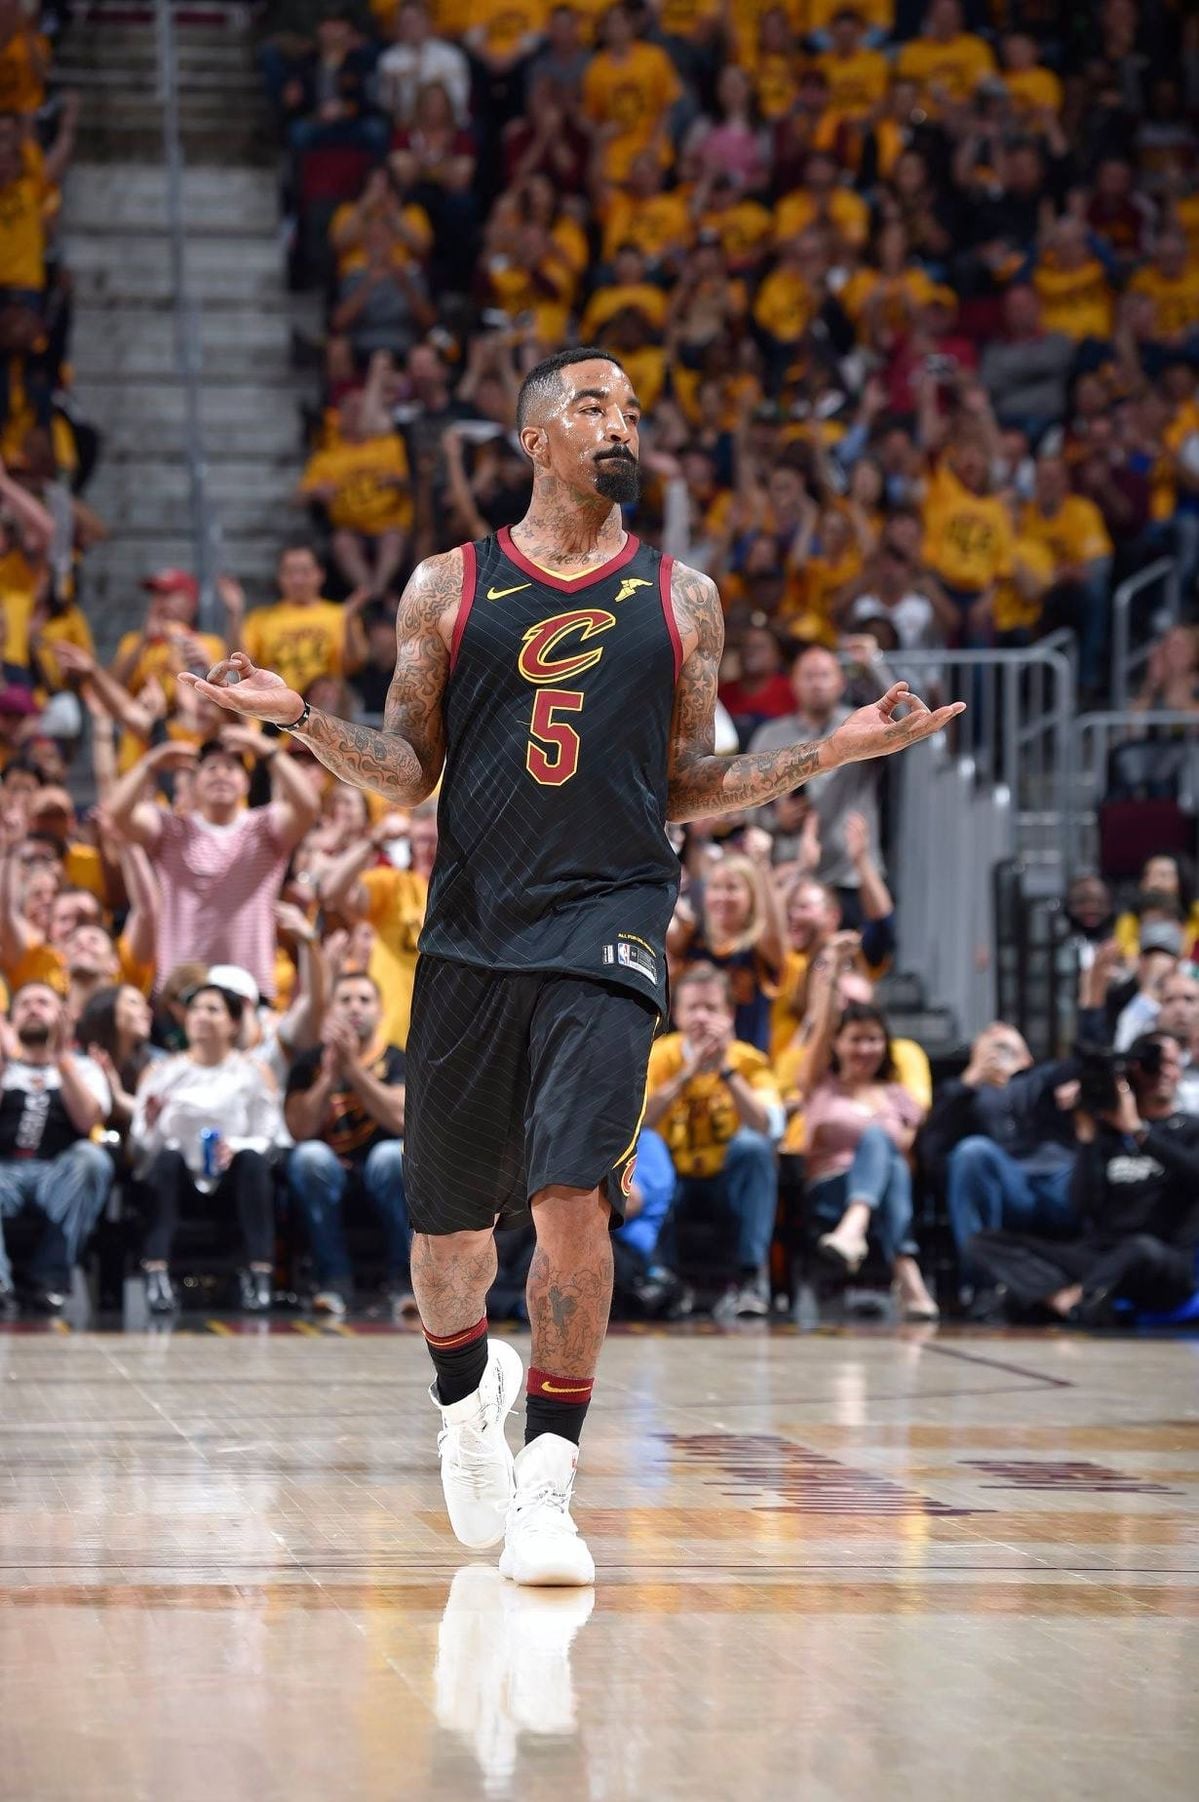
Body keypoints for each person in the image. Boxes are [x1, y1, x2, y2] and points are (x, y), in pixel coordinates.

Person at [178, 344, 961, 1587]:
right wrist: (298, 720)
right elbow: (404, 769)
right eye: (593, 406)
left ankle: (549, 1477)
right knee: (446, 1242)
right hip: (473, 924)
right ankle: (459, 1403)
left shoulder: (682, 597)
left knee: (570, 1199)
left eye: (635, 411)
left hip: (610, 914)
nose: (621, 426)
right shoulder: (447, 584)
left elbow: (687, 782)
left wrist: (829, 749)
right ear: (535, 438)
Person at [968, 1035, 1199, 1325]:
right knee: (984, 1241)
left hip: (1163, 1262)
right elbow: (1082, 1206)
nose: (1163, 1071)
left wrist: (1140, 1132)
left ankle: (1058, 1297)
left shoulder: (1191, 1127)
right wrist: (1088, 1138)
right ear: (1133, 1072)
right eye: (1154, 1064)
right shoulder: (1109, 1135)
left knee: (1140, 1248)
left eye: (1171, 1063)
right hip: (1101, 1254)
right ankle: (1069, 1302)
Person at [105, 730, 320, 1004]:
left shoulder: (265, 827)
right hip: (180, 989)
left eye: (231, 768)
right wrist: (150, 764)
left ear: (245, 783)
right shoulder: (172, 829)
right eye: (211, 768)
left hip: (248, 988)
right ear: (194, 784)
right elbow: (117, 815)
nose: (221, 774)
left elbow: (308, 807)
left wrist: (268, 751)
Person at [129, 980, 287, 1316]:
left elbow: (270, 1136)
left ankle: (259, 1275)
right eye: (196, 1009)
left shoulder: (252, 1072)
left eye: (212, 1009)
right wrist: (153, 1121)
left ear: (232, 1023)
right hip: (180, 1181)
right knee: (167, 1159)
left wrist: (237, 1146)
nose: (201, 1016)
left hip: (233, 1179)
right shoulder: (162, 1072)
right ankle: (157, 1273)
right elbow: (142, 1148)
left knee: (252, 1161)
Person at [798, 943, 937, 1321]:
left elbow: (907, 1151)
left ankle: (854, 1231)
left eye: (874, 1039)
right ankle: (907, 1274)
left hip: (887, 1195)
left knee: (889, 1158)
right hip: (829, 1190)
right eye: (856, 1039)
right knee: (880, 1140)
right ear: (838, 1045)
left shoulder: (898, 1094)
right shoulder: (820, 1084)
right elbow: (822, 1027)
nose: (866, 1048)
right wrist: (830, 977)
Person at [643, 961, 783, 1317]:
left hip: (726, 1182)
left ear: (730, 1014)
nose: (702, 1018)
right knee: (648, 1146)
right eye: (693, 1008)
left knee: (755, 1147)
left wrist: (726, 1071)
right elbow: (639, 1120)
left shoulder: (749, 1061)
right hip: (674, 1180)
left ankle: (752, 1280)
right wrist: (687, 1075)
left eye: (712, 1009)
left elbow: (769, 1126)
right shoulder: (660, 1055)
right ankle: (661, 1279)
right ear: (677, 1014)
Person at [923, 1023, 1080, 1306]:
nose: (998, 1042)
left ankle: (1092, 1278)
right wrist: (970, 1081)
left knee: (1079, 1169)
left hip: (1056, 1180)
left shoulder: (1043, 1079)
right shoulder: (958, 1093)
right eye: (991, 1044)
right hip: (1004, 1184)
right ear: (975, 1052)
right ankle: (984, 1285)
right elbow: (932, 1152)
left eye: (1007, 1046)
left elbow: (1076, 1068)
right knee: (973, 1152)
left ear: (1027, 1056)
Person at [285, 970, 410, 1316]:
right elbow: (299, 1129)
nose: (355, 1007)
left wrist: (353, 1070)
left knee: (389, 1156)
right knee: (308, 1156)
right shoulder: (309, 1063)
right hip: (330, 1174)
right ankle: (332, 1280)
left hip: (384, 1173)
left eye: (364, 1000)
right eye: (345, 1000)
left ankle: (405, 1281)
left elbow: (402, 1120)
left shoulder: (398, 1059)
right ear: (330, 1012)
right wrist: (328, 1077)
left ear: (381, 1012)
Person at [0, 981, 113, 1313]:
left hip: (58, 1172)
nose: (34, 1008)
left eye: (43, 1003)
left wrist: (63, 1059)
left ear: (63, 1017)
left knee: (93, 1158)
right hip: (5, 1172)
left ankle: (49, 1279)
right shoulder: (7, 1070)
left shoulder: (84, 1067)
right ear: (11, 1022)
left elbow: (88, 1120)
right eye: (25, 1004)